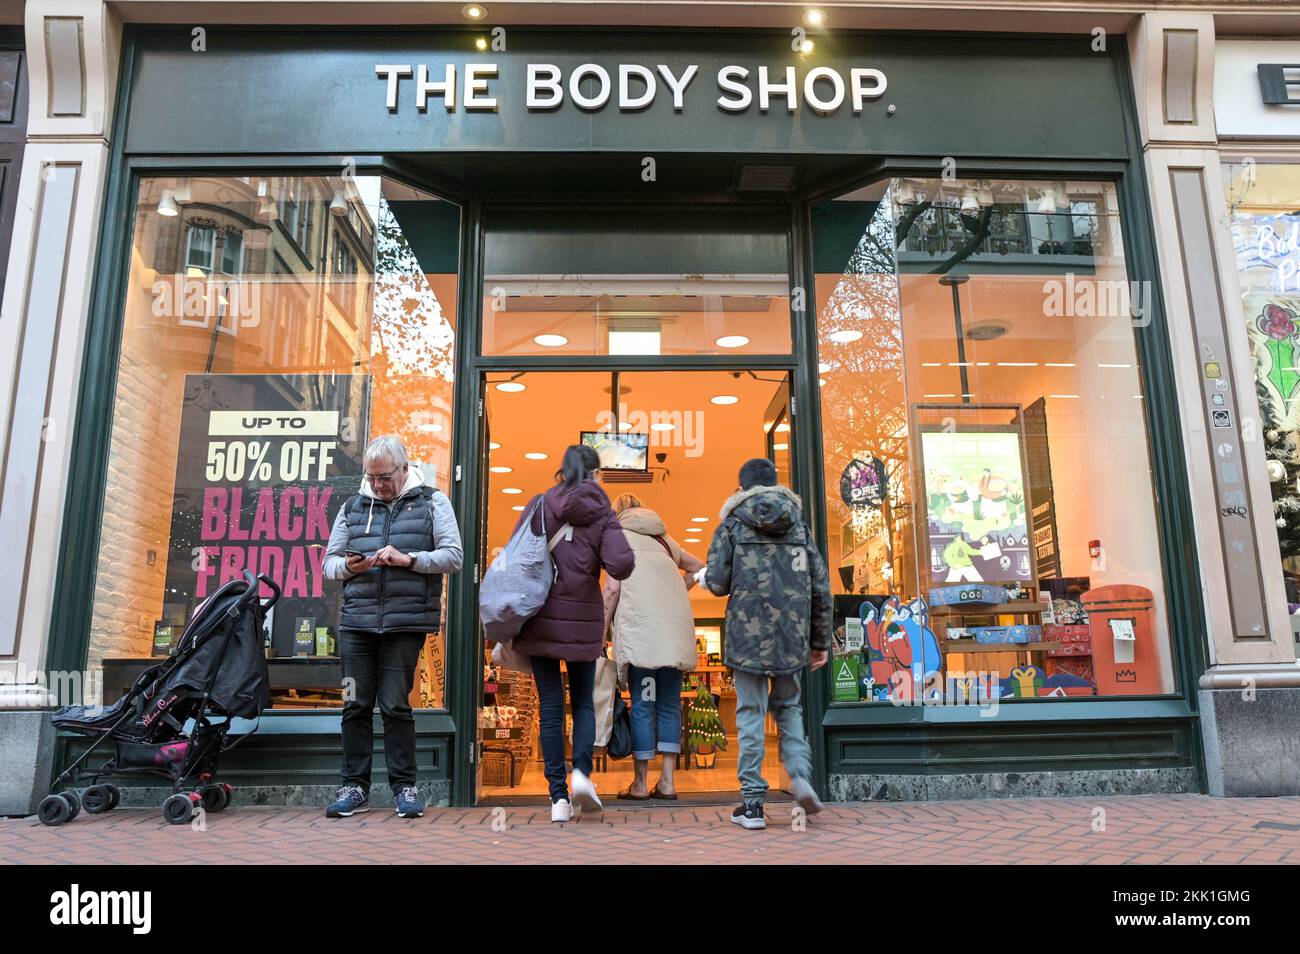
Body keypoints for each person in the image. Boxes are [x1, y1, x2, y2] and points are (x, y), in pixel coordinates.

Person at [321, 435, 463, 819]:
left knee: (396, 706)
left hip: (405, 622)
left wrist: (408, 559)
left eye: (384, 476)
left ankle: (405, 788)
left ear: (404, 468)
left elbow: (453, 556)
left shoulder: (434, 502)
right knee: (354, 705)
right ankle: (353, 787)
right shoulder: (353, 506)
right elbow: (328, 564)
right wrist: (351, 566)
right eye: (372, 477)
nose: (378, 484)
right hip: (356, 623)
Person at [703, 457, 832, 830]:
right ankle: (801, 779)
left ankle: (754, 805)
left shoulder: (732, 525)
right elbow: (820, 587)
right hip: (792, 636)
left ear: (742, 488)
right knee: (789, 708)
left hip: (747, 637)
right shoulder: (800, 526)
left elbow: (716, 582)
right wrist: (819, 640)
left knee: (750, 713)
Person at [511, 444, 635, 822]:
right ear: (597, 475)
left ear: (561, 472)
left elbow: (515, 555)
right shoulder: (603, 514)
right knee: (583, 703)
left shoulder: (538, 504)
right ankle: (581, 774)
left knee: (550, 708)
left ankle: (557, 799)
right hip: (583, 623)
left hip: (540, 619)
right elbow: (622, 563)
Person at [602, 493, 705, 800]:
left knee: (644, 705)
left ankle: (641, 783)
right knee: (670, 705)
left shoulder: (616, 538)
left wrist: (600, 628)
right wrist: (678, 589)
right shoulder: (665, 541)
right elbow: (699, 566)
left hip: (642, 638)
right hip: (672, 637)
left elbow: (612, 588)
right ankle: (669, 782)